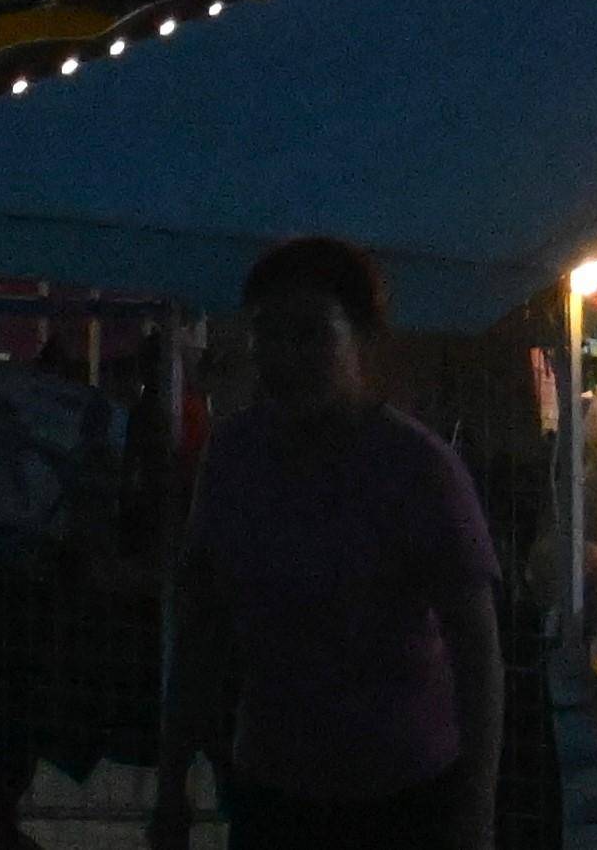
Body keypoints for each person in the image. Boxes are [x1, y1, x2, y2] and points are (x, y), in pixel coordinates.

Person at [179, 232, 505, 850]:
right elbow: (198, 623)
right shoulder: (233, 457)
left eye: (309, 334)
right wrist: (173, 787)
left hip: (404, 798)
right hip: (273, 790)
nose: (282, 356)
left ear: (363, 340)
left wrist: (475, 815)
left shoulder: (417, 468)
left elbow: (477, 649)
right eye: (266, 334)